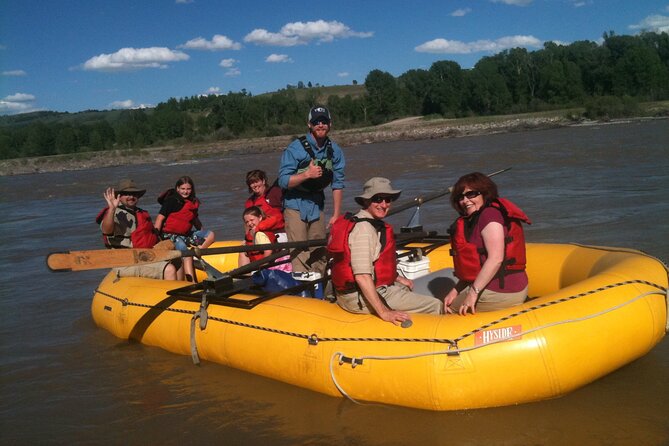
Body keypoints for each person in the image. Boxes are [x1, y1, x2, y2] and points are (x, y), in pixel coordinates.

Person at [328, 177, 443, 325]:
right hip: (357, 297)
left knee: (405, 288)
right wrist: (384, 312)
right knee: (434, 305)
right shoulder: (364, 230)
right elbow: (362, 276)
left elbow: (376, 263)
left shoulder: (370, 223)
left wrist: (396, 278)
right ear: (366, 201)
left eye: (387, 200)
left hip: (369, 289)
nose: (383, 204)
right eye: (377, 199)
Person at [444, 172, 531, 315]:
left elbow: (496, 259)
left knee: (446, 309)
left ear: (485, 194)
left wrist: (473, 293)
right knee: (450, 300)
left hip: (502, 290)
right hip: (497, 287)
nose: (465, 200)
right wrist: (455, 290)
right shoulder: (475, 219)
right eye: (461, 197)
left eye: (471, 194)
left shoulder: (490, 215)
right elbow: (475, 266)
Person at [278, 106, 345, 278]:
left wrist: (336, 214)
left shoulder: (335, 151)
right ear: (309, 124)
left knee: (319, 251)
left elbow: (337, 183)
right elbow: (283, 181)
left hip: (317, 204)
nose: (320, 125)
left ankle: (319, 288)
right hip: (295, 205)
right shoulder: (295, 148)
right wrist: (307, 174)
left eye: (324, 121)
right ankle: (304, 290)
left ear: (330, 124)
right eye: (316, 122)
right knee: (300, 251)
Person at [96, 179, 180, 280]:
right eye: (127, 194)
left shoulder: (139, 212)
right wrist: (112, 209)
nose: (131, 197)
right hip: (125, 262)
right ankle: (172, 294)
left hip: (143, 256)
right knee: (169, 269)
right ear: (119, 196)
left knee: (177, 259)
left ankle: (183, 291)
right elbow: (106, 230)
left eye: (134, 194)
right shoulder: (115, 214)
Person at [154, 176, 215, 282]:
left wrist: (201, 232)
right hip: (170, 236)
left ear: (192, 190)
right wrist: (155, 237)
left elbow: (196, 221)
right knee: (185, 252)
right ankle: (191, 282)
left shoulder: (192, 203)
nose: (185, 192)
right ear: (177, 188)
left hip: (185, 235)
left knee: (210, 235)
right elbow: (160, 219)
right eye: (183, 189)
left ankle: (197, 254)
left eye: (188, 189)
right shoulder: (171, 201)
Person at [238, 206, 291, 272]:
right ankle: (243, 273)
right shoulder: (257, 231)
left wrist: (263, 266)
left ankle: (242, 274)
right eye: (247, 222)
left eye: (252, 220)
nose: (249, 223)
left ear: (260, 217)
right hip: (267, 261)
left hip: (266, 265)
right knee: (244, 248)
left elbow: (268, 251)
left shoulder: (260, 234)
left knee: (243, 251)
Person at [244, 169, 286, 242]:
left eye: (256, 181)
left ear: (263, 181)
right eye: (251, 183)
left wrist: (259, 228)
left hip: (278, 233)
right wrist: (247, 238)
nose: (255, 185)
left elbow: (279, 217)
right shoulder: (249, 202)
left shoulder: (274, 193)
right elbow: (247, 223)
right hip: (259, 235)